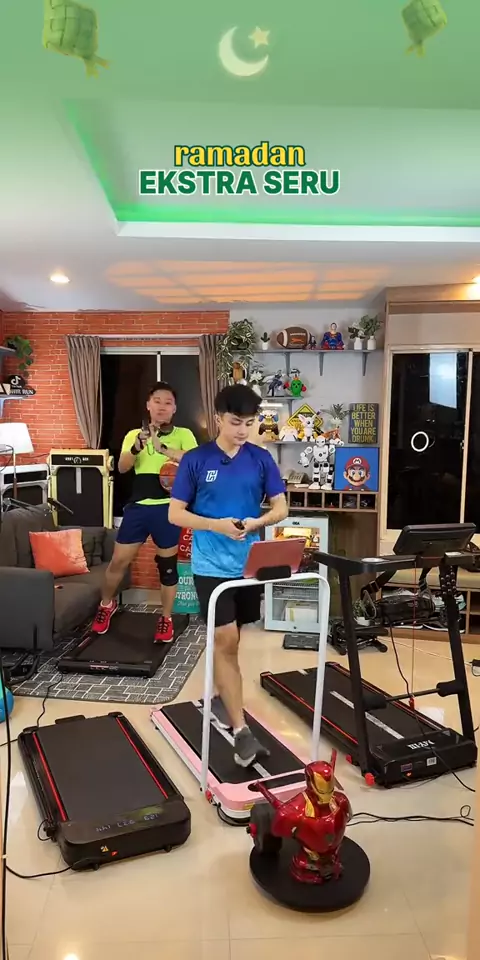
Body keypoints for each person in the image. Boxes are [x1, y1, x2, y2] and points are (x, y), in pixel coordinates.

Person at [168, 384, 288, 767]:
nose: (243, 430)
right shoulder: (196, 460)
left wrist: (256, 522)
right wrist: (215, 525)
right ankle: (242, 732)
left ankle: (224, 693)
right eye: (236, 422)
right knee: (225, 638)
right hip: (209, 566)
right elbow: (175, 513)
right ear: (218, 418)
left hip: (249, 564)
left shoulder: (261, 458)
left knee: (234, 641)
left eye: (249, 423)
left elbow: (281, 508)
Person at [91, 381, 197, 643]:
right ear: (148, 405)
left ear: (175, 408)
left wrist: (164, 449)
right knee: (118, 562)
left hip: (169, 509)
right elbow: (123, 467)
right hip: (138, 508)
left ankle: (166, 618)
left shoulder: (184, 434)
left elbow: (195, 461)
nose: (162, 407)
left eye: (168, 402)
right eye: (157, 401)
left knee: (168, 568)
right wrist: (137, 447)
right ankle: (106, 605)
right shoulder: (133, 435)